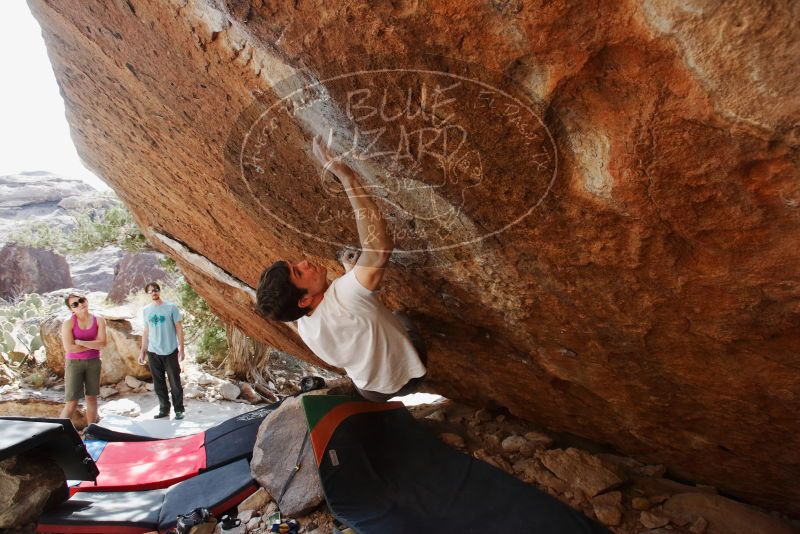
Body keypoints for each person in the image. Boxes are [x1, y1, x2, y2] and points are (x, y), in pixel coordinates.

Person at [256, 136, 427, 402]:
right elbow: (379, 247)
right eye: (299, 273)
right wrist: (347, 177)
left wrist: (350, 273)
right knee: (404, 316)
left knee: (371, 310)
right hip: (409, 378)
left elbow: (341, 308)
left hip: (371, 391)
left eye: (294, 264)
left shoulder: (303, 325)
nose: (304, 263)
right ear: (304, 299)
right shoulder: (345, 295)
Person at [137, 282, 186, 419]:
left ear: (160, 291)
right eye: (151, 291)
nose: (154, 292)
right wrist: (143, 351)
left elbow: (179, 328)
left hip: (170, 350)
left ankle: (179, 410)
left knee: (175, 382)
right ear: (148, 294)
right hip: (153, 352)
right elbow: (146, 331)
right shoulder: (146, 310)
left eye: (156, 289)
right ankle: (164, 409)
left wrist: (182, 349)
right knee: (158, 383)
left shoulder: (171, 308)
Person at [59, 293, 106, 423]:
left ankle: (91, 431)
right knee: (72, 402)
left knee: (91, 398)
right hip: (74, 363)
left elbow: (103, 343)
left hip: (94, 362)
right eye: (75, 304)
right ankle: (58, 433)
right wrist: (93, 345)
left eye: (81, 300)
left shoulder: (99, 320)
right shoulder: (68, 323)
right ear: (71, 309)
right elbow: (70, 348)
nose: (80, 304)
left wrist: (82, 342)